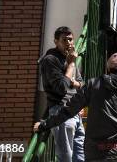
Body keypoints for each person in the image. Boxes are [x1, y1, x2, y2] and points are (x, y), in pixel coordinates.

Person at [34, 52, 117, 161]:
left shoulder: (93, 85)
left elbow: (68, 110)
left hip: (95, 150)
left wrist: (44, 125)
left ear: (108, 69)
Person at [39, 26, 85, 162]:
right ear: (56, 41)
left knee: (80, 156)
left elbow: (82, 84)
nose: (69, 43)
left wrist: (72, 82)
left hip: (75, 112)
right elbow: (61, 88)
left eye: (71, 40)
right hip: (61, 112)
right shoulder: (50, 60)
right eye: (64, 40)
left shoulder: (69, 57)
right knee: (66, 157)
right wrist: (71, 65)